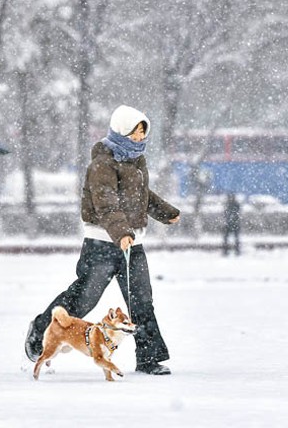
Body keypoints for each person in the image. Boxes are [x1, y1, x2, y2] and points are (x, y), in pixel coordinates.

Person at [24, 105, 180, 375]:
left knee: (141, 301)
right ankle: (40, 330)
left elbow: (141, 195)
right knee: (84, 299)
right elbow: (105, 203)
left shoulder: (136, 161)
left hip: (131, 242)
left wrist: (165, 213)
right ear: (121, 130)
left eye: (143, 132)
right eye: (135, 132)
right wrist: (121, 233)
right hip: (102, 242)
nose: (140, 138)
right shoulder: (102, 163)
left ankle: (149, 357)